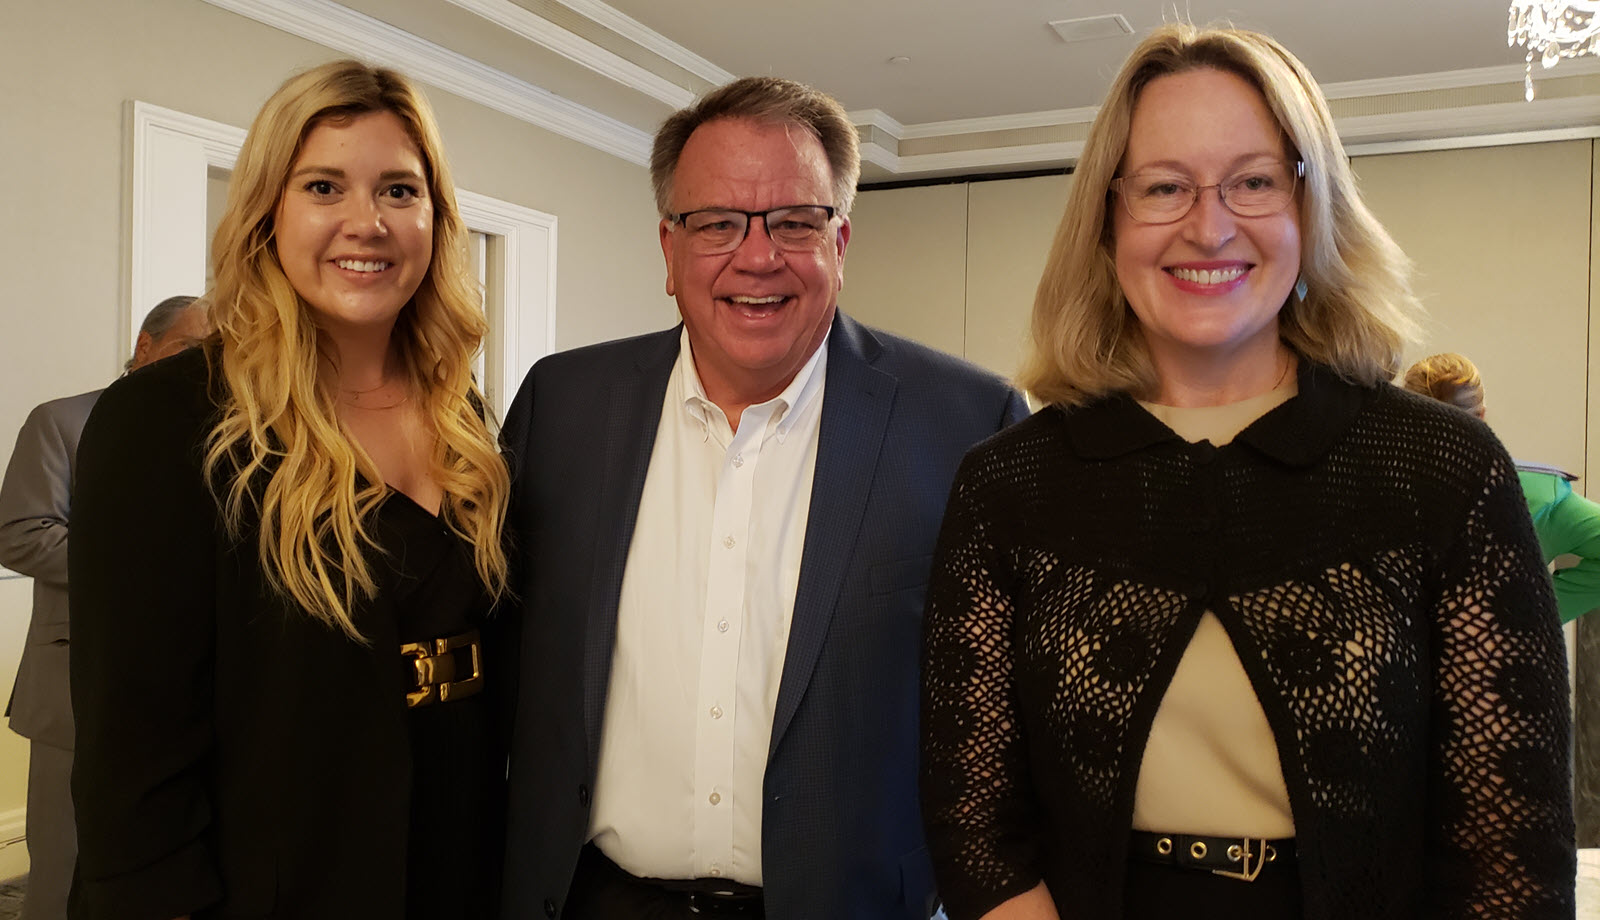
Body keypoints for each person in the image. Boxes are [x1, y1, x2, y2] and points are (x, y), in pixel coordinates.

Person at [920, 23, 1574, 920]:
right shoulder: (1010, 486)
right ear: (1108, 220)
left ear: (1311, 207)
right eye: (1164, 187)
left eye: (1255, 181)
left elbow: (1514, 854)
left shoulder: (1444, 471)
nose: (1209, 225)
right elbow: (974, 822)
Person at [499, 76, 1028, 920]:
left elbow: (1008, 720)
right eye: (716, 224)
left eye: (794, 222)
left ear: (840, 242)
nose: (757, 257)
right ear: (669, 251)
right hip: (594, 902)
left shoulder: (966, 423)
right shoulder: (562, 407)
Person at [68, 60, 509, 920]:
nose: (366, 222)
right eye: (324, 186)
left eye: (398, 190)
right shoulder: (169, 421)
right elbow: (132, 768)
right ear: (270, 211)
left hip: (457, 866)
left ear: (435, 218)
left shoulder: (466, 414)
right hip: (275, 880)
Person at [0, 294, 207, 920]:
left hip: (190, 687)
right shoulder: (63, 420)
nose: (203, 369)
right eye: (190, 352)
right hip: (73, 686)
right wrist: (145, 573)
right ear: (145, 345)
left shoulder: (227, 432)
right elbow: (21, 531)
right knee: (65, 870)